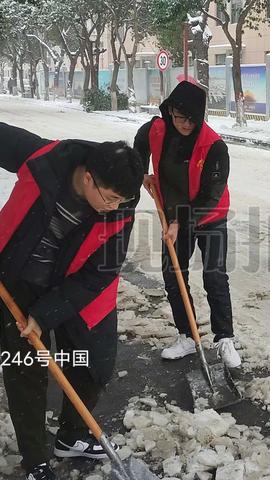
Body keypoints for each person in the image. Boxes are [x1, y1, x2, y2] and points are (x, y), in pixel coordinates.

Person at [0, 123, 144, 480]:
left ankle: (74, 436)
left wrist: (46, 314)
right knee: (25, 369)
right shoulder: (46, 160)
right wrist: (31, 315)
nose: (114, 208)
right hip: (18, 277)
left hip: (76, 284)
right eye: (109, 198)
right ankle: (35, 460)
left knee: (94, 361)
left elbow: (100, 273)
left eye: (121, 202)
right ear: (88, 179)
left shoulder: (121, 207)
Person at [134, 81, 241, 368]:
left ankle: (224, 339)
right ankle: (188, 336)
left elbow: (211, 194)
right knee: (174, 277)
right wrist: (142, 171)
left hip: (209, 215)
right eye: (178, 117)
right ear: (169, 111)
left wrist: (182, 222)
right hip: (172, 213)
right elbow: (140, 142)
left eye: (191, 119)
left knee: (214, 276)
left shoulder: (215, 147)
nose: (184, 124)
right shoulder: (157, 129)